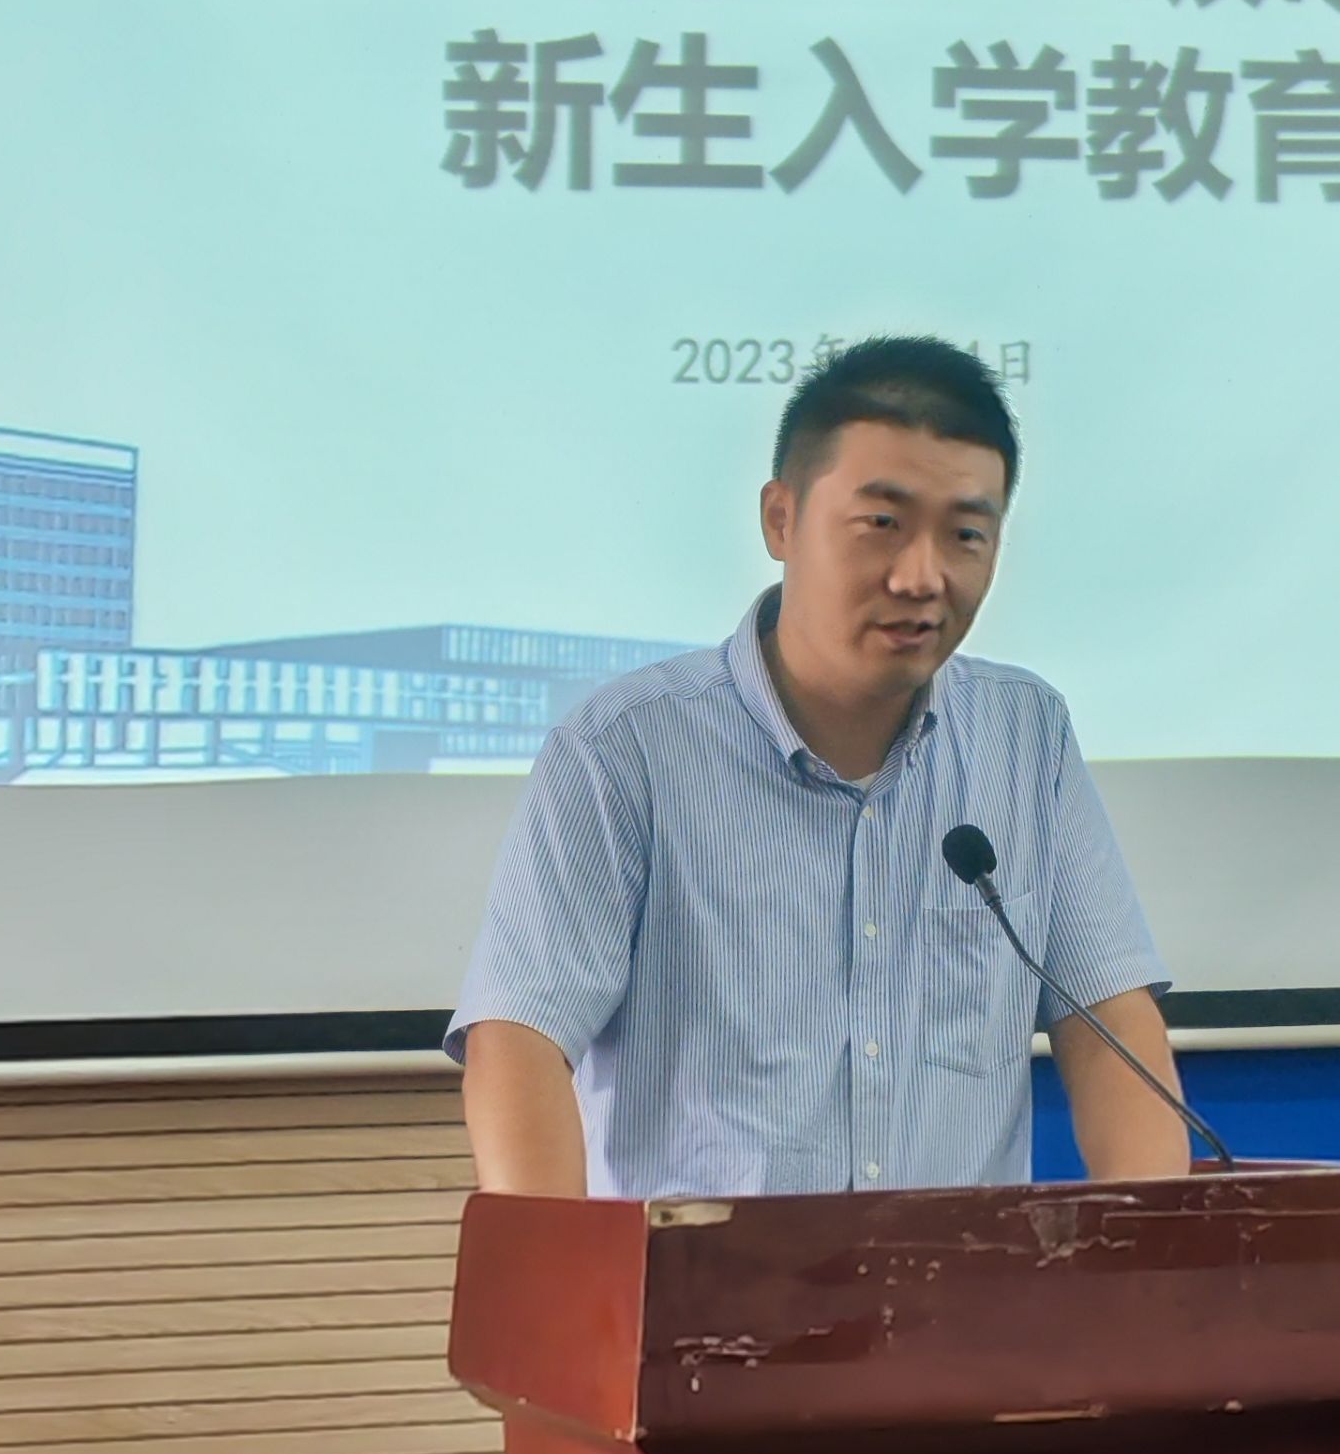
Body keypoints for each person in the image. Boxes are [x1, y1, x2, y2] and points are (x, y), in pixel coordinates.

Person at [447, 335, 1191, 1198]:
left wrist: (1155, 1247)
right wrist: (560, 1272)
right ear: (782, 519)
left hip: (961, 1280)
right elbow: (520, 1042)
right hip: (699, 1280)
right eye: (882, 524)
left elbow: (1109, 1023)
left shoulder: (1025, 736)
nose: (922, 577)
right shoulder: (625, 749)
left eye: (966, 535)